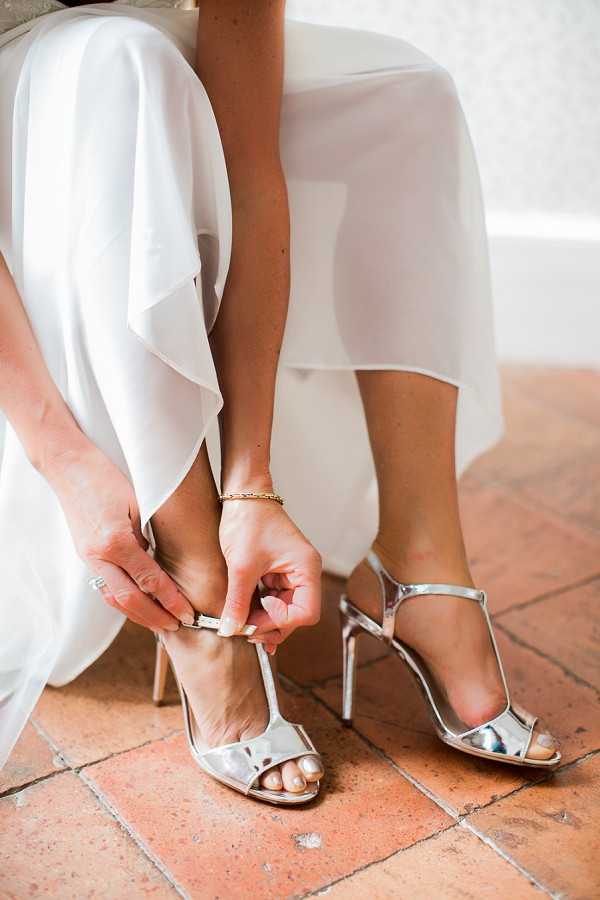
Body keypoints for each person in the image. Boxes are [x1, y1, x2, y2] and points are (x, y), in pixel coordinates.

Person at [0, 0, 559, 805]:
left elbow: (250, 169)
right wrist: (65, 461)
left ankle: (419, 566)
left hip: (145, 45)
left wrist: (252, 481)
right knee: (121, 63)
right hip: (28, 87)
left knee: (407, 94)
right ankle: (191, 576)